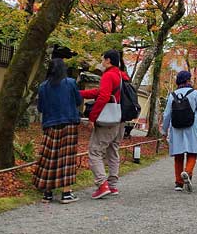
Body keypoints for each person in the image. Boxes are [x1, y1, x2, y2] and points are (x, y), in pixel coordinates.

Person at [33, 58, 83, 204]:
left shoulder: (43, 86)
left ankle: (47, 194)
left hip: (50, 124)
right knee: (66, 158)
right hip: (69, 123)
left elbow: (40, 108)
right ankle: (66, 193)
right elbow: (79, 101)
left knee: (50, 157)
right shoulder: (71, 83)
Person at [80, 49, 128, 199]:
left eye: (103, 59)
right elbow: (101, 92)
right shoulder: (122, 76)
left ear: (108, 60)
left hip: (108, 119)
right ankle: (112, 185)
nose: (101, 62)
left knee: (95, 151)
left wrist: (93, 117)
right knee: (113, 151)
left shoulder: (109, 75)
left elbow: (103, 96)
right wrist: (81, 93)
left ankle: (102, 184)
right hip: (121, 118)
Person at [161, 71, 197, 192]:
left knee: (178, 155)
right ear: (187, 80)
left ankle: (178, 183)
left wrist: (164, 130)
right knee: (192, 152)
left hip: (176, 126)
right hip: (191, 126)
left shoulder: (172, 95)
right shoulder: (195, 93)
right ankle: (187, 173)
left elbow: (167, 114)